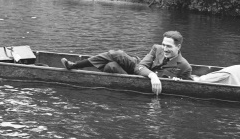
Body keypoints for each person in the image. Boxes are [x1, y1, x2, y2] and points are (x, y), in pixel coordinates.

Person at [61, 31, 192, 94]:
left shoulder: (184, 67)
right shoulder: (156, 48)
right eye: (164, 45)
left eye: (169, 46)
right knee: (116, 54)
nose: (165, 49)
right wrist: (152, 75)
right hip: (136, 68)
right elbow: (140, 66)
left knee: (111, 66)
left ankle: (76, 67)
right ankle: (75, 66)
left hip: (138, 79)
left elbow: (186, 87)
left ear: (178, 47)